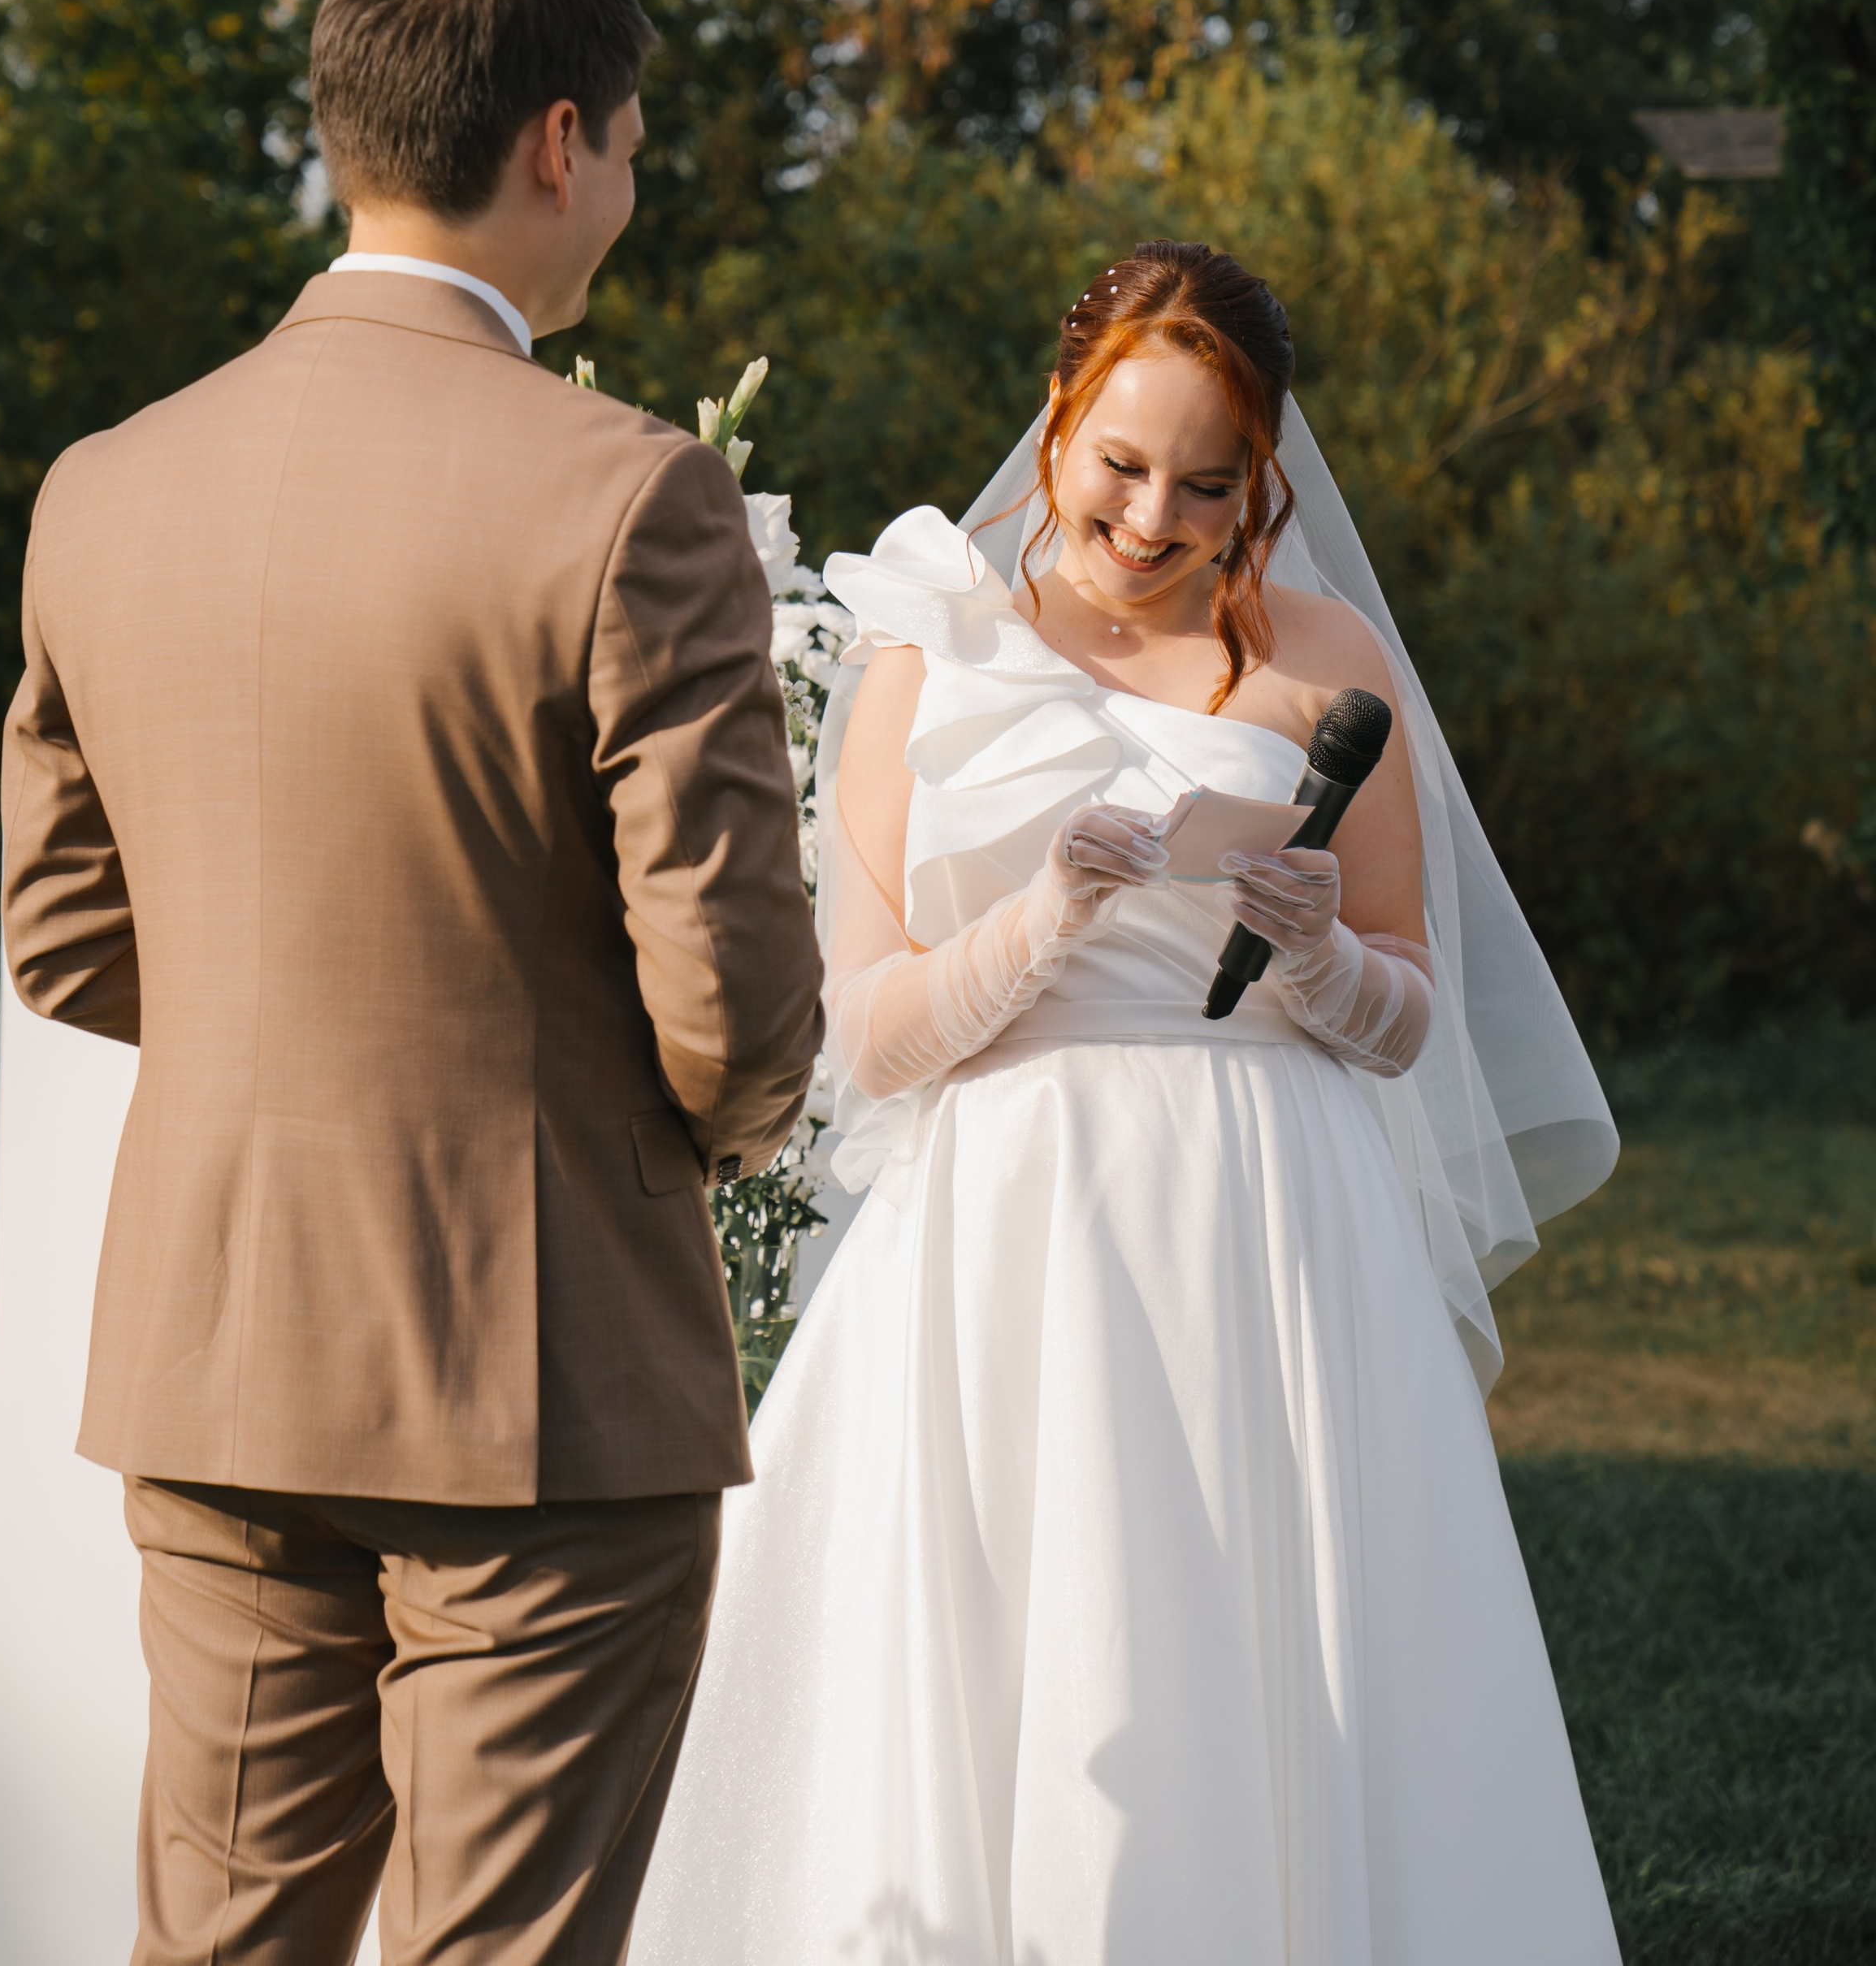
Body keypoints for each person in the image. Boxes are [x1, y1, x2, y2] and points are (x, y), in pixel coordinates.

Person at [0, 0, 824, 1966]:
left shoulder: (103, 485)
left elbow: (64, 933)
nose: (625, 188)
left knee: (221, 1944)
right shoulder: (631, 496)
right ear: (558, 142)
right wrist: (711, 1137)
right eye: (629, 146)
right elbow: (731, 1003)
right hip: (537, 1365)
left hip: (215, 1341)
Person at [631, 239, 1622, 1966]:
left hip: (1277, 1222)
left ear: (1262, 485)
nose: (1153, 518)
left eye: (1206, 485)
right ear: (1056, 421)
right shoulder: (932, 646)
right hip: (1014, 1229)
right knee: (1028, 1651)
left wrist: (1319, 955)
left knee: (1274, 1657)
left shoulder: (1328, 660)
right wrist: (1041, 920)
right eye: (1119, 464)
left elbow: (1407, 1013)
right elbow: (864, 1035)